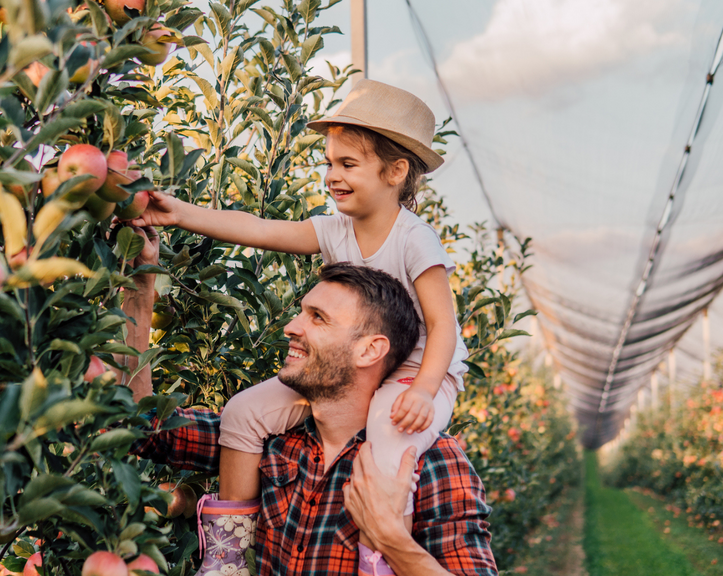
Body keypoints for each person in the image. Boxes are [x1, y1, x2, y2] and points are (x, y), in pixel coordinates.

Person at [128, 79, 469, 568]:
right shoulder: (334, 230)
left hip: (418, 370)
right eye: (329, 162)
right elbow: (258, 228)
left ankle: (379, 557)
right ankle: (228, 556)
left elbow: (443, 326)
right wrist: (180, 214)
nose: (332, 175)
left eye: (348, 164)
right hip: (352, 368)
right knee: (243, 413)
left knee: (387, 439)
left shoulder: (415, 240)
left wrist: (424, 390)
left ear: (395, 172)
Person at [120, 230, 495, 575]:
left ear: (370, 350)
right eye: (302, 311)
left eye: (318, 318)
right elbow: (137, 425)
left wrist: (392, 540)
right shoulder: (270, 437)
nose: (292, 327)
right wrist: (140, 286)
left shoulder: (430, 465)